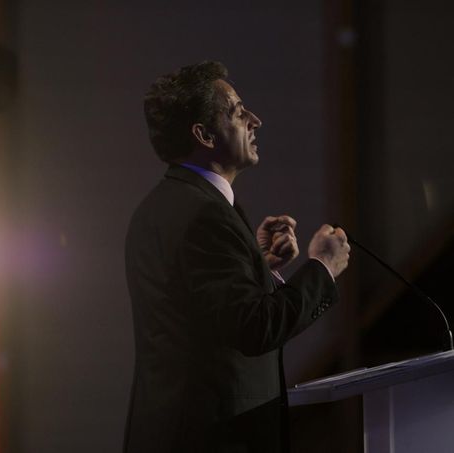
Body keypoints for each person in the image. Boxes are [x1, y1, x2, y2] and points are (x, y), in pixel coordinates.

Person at [124, 61, 350, 453]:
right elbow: (254, 328)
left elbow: (203, 313)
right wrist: (322, 269)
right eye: (238, 110)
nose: (255, 120)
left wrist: (257, 268)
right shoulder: (206, 215)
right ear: (204, 134)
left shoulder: (165, 204)